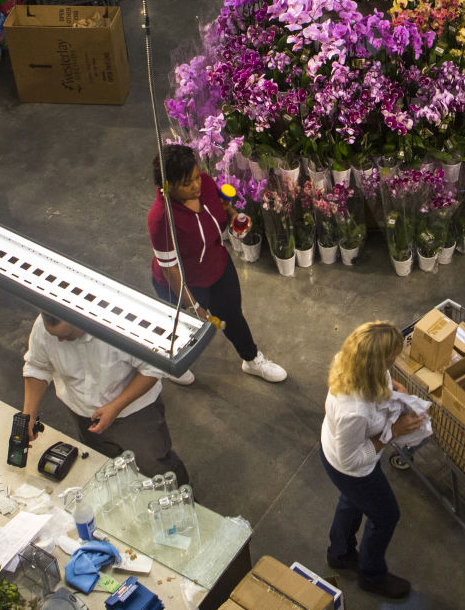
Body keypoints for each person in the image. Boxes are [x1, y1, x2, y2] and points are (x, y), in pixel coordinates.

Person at [147, 145, 287, 383]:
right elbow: (170, 269)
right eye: (187, 183)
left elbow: (222, 206)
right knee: (183, 328)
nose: (196, 185)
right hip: (183, 283)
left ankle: (251, 359)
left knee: (233, 315)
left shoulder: (203, 182)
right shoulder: (161, 218)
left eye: (195, 176)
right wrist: (193, 305)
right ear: (167, 186)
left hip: (217, 266)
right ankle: (173, 363)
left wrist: (235, 217)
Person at [21, 310, 191, 485]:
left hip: (135, 416)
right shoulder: (43, 327)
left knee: (156, 466)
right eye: (55, 336)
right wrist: (29, 414)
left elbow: (152, 369)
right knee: (106, 465)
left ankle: (184, 503)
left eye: (68, 335)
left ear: (82, 318)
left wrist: (116, 406)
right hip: (84, 417)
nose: (61, 341)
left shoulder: (122, 324)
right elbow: (38, 367)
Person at [320, 321, 421, 600]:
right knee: (386, 515)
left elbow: (379, 383)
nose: (394, 363)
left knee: (351, 501)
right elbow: (352, 459)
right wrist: (393, 433)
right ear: (377, 365)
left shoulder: (353, 362)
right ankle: (371, 575)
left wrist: (392, 388)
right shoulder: (354, 410)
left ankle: (339, 554)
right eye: (391, 361)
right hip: (350, 468)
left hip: (337, 452)